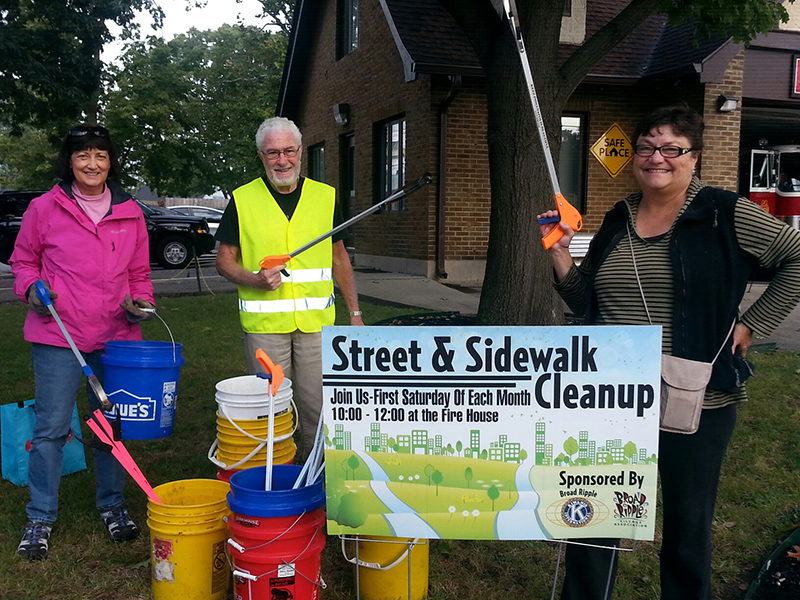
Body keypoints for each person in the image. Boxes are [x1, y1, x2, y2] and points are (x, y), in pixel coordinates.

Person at [537, 106, 800, 600]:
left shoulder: (725, 212)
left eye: (671, 148)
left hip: (696, 399)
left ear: (693, 158)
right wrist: (560, 255)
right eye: (646, 147)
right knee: (591, 518)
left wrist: (753, 324)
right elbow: (587, 298)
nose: (656, 157)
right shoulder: (618, 218)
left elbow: (796, 257)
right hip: (610, 397)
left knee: (685, 527)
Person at [10, 124, 156, 560]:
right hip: (58, 335)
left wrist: (142, 303)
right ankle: (40, 517)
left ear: (111, 162)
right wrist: (32, 288)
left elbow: (139, 275)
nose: (92, 164)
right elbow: (23, 261)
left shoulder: (131, 212)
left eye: (101, 155)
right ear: (69, 161)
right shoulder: (45, 208)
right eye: (82, 155)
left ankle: (113, 505)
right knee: (52, 429)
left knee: (111, 427)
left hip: (116, 337)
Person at [216, 116, 363, 458]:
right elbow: (224, 261)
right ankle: (276, 477)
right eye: (272, 153)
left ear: (301, 151)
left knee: (317, 408)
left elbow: (339, 259)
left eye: (288, 151)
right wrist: (254, 279)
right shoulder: (243, 199)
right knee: (271, 410)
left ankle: (317, 479)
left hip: (315, 326)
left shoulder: (325, 198)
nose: (282, 160)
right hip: (266, 330)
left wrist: (354, 313)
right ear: (260, 156)